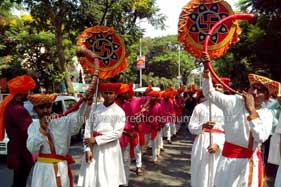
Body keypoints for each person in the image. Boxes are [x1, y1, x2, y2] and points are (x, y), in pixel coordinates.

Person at [202, 56, 274, 187]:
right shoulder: (234, 101)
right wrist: (206, 71)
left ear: (267, 98)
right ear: (248, 89)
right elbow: (209, 93)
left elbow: (261, 137)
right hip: (228, 161)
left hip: (249, 163)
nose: (255, 92)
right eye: (253, 88)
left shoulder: (267, 114)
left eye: (261, 91)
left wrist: (252, 110)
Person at [26, 93, 92, 187]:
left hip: (61, 168)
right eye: (41, 107)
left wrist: (86, 104)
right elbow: (32, 149)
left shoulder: (63, 121)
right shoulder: (33, 126)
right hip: (42, 170)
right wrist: (42, 131)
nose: (45, 110)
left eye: (48, 107)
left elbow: (79, 118)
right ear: (35, 109)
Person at [77, 82, 126, 187]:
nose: (108, 95)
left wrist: (97, 140)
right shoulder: (95, 108)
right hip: (93, 148)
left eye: (111, 93)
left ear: (116, 94)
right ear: (102, 94)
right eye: (106, 93)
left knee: (107, 177)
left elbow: (117, 133)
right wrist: (87, 149)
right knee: (91, 177)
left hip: (109, 149)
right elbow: (88, 128)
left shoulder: (119, 111)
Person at [188, 78, 228, 187]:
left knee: (218, 176)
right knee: (202, 174)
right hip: (202, 143)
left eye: (220, 87)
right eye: (214, 86)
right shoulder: (200, 107)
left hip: (221, 144)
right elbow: (191, 127)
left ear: (224, 90)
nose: (216, 88)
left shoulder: (228, 109)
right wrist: (203, 126)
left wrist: (219, 145)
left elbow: (231, 132)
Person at [0, 75, 36, 187]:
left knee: (19, 181)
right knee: (20, 182)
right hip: (22, 152)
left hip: (17, 150)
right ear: (21, 94)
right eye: (28, 91)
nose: (29, 93)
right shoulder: (17, 109)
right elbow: (30, 129)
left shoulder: (11, 105)